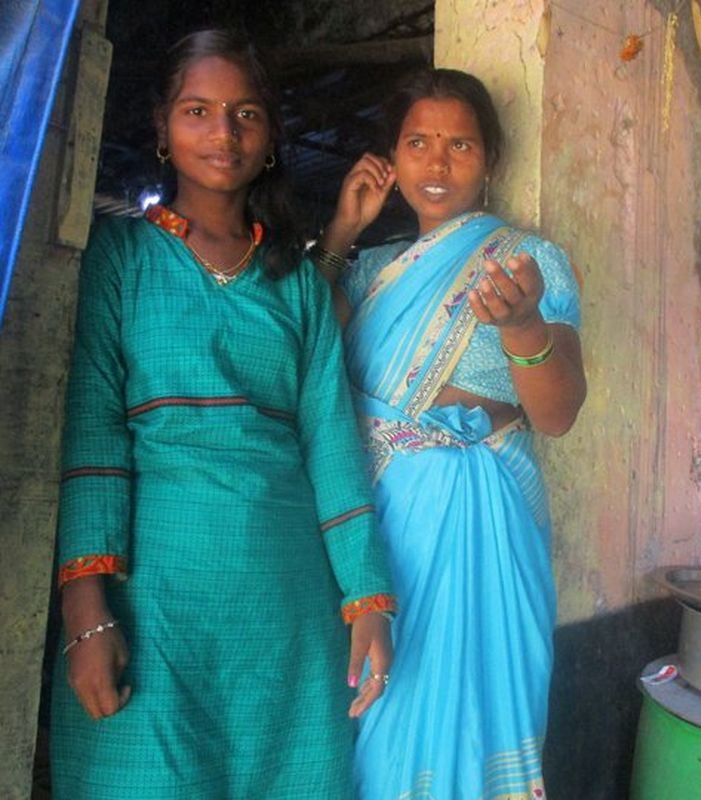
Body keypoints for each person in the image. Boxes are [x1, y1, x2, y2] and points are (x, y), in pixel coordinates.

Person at [50, 29, 394, 800]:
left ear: (271, 137)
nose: (223, 134)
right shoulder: (120, 257)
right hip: (156, 603)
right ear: (163, 127)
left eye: (245, 114)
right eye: (198, 111)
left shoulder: (297, 284)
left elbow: (331, 446)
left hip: (284, 604)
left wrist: (368, 598)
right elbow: (94, 427)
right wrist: (86, 609)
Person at [311, 68, 586, 799]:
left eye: (460, 144)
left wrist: (523, 326)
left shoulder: (530, 262)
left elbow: (558, 414)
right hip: (374, 531)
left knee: (467, 718)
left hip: (479, 521)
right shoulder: (368, 269)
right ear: (392, 159)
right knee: (373, 722)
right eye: (418, 143)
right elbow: (298, 352)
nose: (437, 162)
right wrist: (340, 233)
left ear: (490, 159)